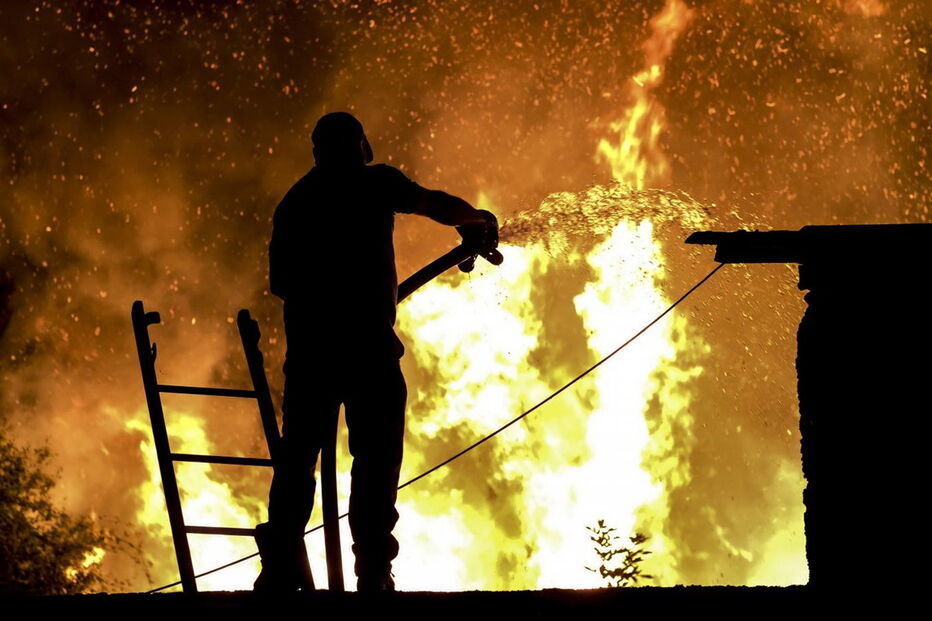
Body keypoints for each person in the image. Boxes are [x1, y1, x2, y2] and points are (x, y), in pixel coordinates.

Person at [254, 111, 497, 592]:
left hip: (313, 355)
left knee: (300, 461)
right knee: (374, 461)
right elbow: (435, 204)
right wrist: (479, 218)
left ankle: (284, 567)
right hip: (365, 352)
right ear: (360, 147)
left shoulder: (297, 203)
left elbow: (282, 282)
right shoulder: (374, 184)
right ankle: (371, 572)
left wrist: (327, 297)